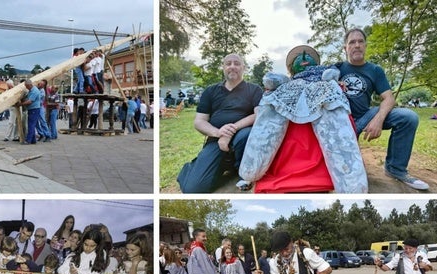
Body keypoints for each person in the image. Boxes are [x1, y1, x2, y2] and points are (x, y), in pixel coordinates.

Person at [239, 45, 367, 193]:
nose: (305, 56)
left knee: (336, 127)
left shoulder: (328, 86)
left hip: (325, 103)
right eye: (298, 55)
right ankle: (251, 169)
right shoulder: (282, 89)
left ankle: (351, 183)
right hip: (285, 112)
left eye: (308, 55)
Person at [337, 28, 429, 190]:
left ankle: (395, 169)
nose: (357, 45)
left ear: (365, 46)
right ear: (345, 48)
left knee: (408, 117)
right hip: (342, 125)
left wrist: (378, 120)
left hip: (366, 117)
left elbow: (389, 98)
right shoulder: (336, 69)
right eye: (352, 42)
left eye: (360, 42)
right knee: (353, 175)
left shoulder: (375, 71)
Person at [177, 53, 263, 193]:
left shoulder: (254, 89)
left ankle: (240, 169)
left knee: (244, 136)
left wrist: (232, 129)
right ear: (223, 67)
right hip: (216, 140)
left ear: (243, 68)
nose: (232, 67)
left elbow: (259, 115)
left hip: (244, 138)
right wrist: (218, 133)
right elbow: (199, 121)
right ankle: (202, 166)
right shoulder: (210, 91)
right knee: (193, 189)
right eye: (228, 63)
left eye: (237, 63)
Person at [16, 79, 41, 144]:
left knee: (31, 125)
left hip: (34, 109)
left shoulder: (35, 91)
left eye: (26, 86)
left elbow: (29, 101)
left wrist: (20, 104)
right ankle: (33, 140)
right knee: (31, 125)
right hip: (32, 109)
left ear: (30, 85)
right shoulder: (31, 90)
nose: (26, 87)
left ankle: (28, 140)